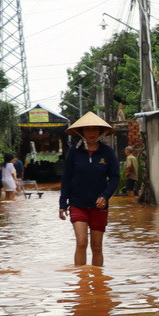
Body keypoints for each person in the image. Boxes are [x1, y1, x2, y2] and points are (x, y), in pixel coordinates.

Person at [58, 112, 120, 266]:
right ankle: (82, 283)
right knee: (81, 242)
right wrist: (62, 203)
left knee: (97, 246)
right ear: (82, 132)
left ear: (100, 132)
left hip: (99, 206)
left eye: (94, 130)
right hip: (77, 203)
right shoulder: (74, 152)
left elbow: (114, 177)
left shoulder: (107, 152)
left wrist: (105, 196)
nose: (91, 133)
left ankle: (98, 283)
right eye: (87, 130)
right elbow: (66, 178)